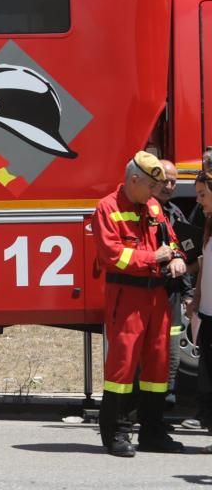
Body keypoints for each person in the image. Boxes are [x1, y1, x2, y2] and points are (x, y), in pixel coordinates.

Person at [93, 151, 187, 457]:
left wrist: (176, 258)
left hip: (158, 297)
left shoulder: (153, 206)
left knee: (158, 368)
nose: (155, 193)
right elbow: (112, 256)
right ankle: (116, 433)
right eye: (151, 186)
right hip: (128, 298)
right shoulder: (107, 208)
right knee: (122, 367)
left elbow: (170, 241)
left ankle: (152, 431)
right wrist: (154, 258)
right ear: (134, 180)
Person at [155, 160, 201, 412]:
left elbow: (184, 254)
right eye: (165, 180)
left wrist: (186, 292)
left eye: (174, 181)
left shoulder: (175, 213)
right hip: (148, 291)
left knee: (171, 351)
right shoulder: (144, 213)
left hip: (171, 293)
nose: (170, 186)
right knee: (149, 352)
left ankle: (166, 396)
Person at [189, 172, 212, 431]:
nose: (198, 200)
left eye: (202, 194)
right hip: (207, 313)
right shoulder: (208, 222)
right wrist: (196, 294)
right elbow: (205, 263)